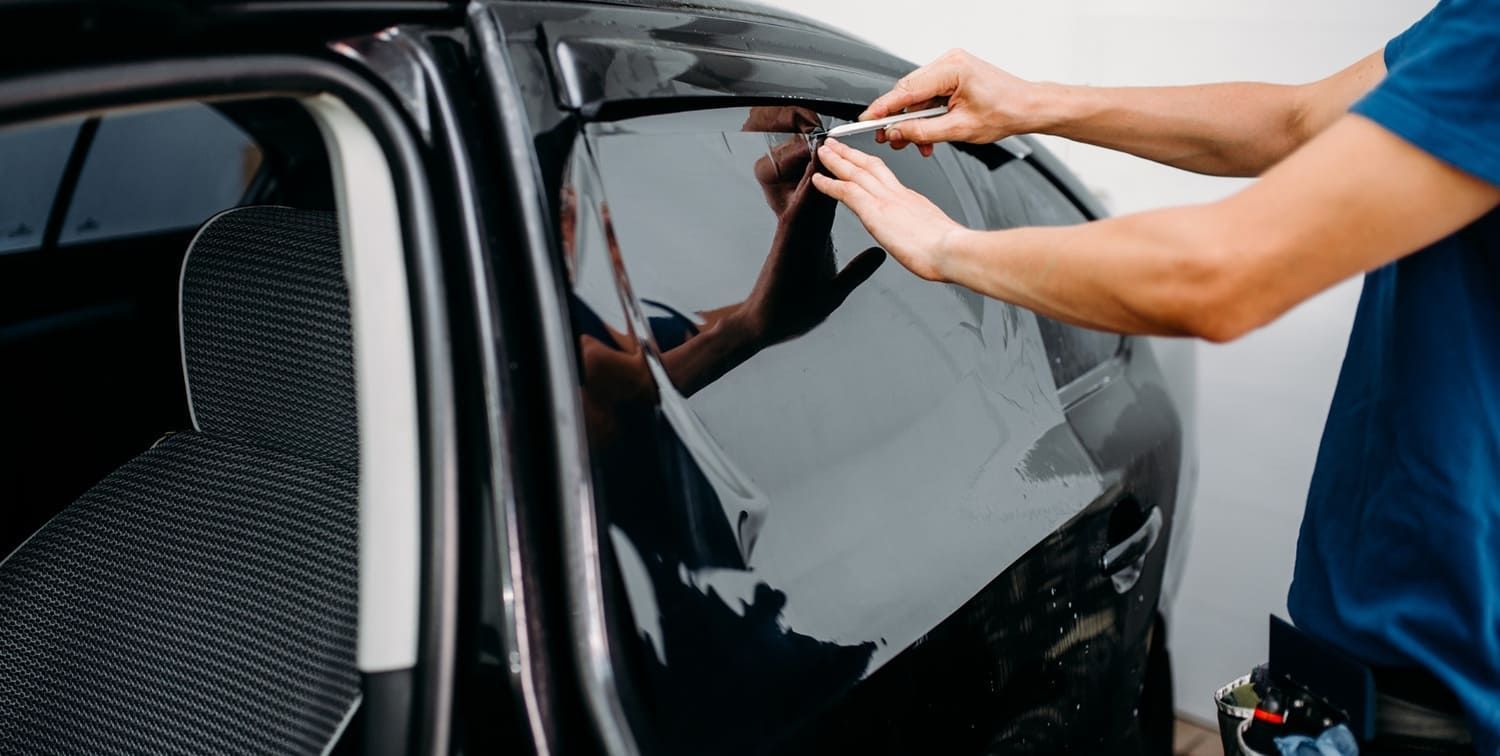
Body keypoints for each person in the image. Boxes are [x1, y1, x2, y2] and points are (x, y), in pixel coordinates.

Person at [811, 1, 1499, 753]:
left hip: (1449, 702)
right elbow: (1298, 122)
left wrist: (946, 247)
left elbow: (1217, 275)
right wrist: (1034, 104)